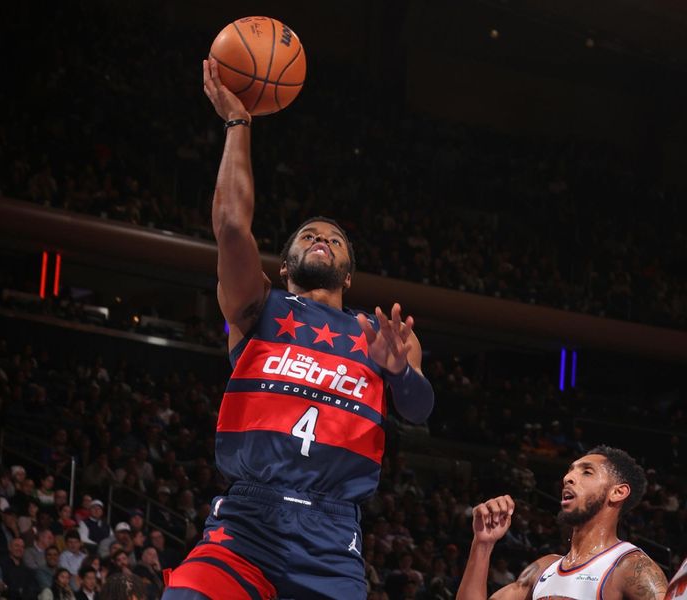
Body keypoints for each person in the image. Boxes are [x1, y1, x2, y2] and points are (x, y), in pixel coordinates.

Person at [161, 58, 435, 599]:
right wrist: (239, 125)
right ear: (284, 266)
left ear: (349, 275)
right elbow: (232, 226)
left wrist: (400, 372)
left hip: (332, 539)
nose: (322, 240)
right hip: (247, 523)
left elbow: (420, 409)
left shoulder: (381, 334)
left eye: (335, 240)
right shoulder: (259, 308)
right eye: (309, 235)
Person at [456, 446, 669, 600]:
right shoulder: (542, 568)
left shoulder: (633, 568)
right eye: (570, 470)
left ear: (618, 492)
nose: (568, 477)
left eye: (586, 472)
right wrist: (482, 545)